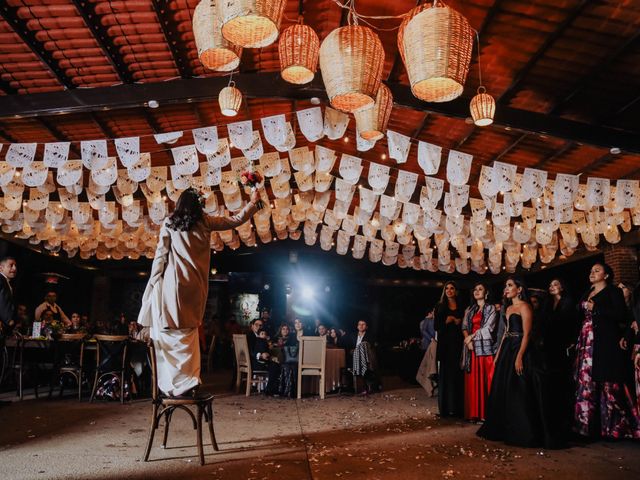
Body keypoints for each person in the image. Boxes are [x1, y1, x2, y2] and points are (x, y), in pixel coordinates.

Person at [137, 186, 259, 397]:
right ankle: (190, 380)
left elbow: (160, 258)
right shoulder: (206, 223)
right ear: (198, 205)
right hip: (196, 288)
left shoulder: (170, 223)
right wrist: (253, 202)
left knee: (170, 334)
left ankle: (174, 385)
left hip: (172, 289)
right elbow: (236, 220)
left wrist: (150, 288)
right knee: (189, 334)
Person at [573, 262, 640, 439]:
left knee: (609, 384)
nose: (592, 273)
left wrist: (597, 309)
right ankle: (586, 427)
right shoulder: (587, 293)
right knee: (586, 383)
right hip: (587, 341)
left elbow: (621, 315)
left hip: (604, 342)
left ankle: (616, 428)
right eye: (591, 270)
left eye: (597, 270)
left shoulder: (613, 292)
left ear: (606, 275)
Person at [478, 277, 541, 447]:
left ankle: (522, 430)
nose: (506, 288)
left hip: (520, 347)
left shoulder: (525, 307)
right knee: (502, 388)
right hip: (507, 348)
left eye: (510, 285)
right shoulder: (508, 308)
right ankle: (502, 428)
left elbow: (527, 334)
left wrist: (520, 356)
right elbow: (505, 332)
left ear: (519, 289)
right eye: (506, 286)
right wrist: (498, 355)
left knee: (518, 388)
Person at [531, 278, 577, 447]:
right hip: (546, 349)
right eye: (550, 284)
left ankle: (564, 428)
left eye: (556, 284)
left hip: (561, 348)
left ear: (563, 287)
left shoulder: (569, 303)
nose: (552, 287)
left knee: (561, 386)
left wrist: (570, 341)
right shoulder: (546, 304)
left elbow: (570, 324)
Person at [461, 282, 497, 422]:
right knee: (473, 381)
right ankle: (473, 414)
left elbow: (489, 328)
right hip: (471, 349)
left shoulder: (491, 308)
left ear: (486, 293)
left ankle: (485, 414)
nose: (477, 291)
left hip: (485, 349)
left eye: (480, 289)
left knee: (485, 380)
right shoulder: (469, 309)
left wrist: (472, 337)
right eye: (475, 289)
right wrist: (468, 341)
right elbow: (464, 327)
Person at [434, 281, 464, 417]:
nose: (449, 290)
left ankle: (457, 408)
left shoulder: (462, 305)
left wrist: (460, 321)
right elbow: (436, 326)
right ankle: (445, 409)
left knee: (457, 375)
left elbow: (466, 322)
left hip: (458, 343)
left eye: (452, 288)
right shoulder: (440, 306)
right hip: (446, 345)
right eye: (447, 288)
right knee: (446, 376)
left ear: (456, 291)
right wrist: (449, 319)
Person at [246, 318, 280, 395]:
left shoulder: (261, 337)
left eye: (260, 325)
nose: (258, 327)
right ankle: (270, 389)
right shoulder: (250, 336)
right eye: (256, 325)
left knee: (275, 363)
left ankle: (271, 388)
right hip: (254, 362)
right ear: (252, 326)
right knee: (274, 365)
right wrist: (260, 355)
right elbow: (251, 351)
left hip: (259, 360)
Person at [352, 319, 379, 394]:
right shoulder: (353, 336)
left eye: (363, 324)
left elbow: (371, 347)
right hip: (355, 357)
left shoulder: (370, 336)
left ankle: (369, 387)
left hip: (366, 357)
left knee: (367, 365)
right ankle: (359, 387)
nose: (361, 326)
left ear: (366, 327)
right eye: (359, 324)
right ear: (357, 326)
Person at [0, 256, 17, 336]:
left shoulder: (5, 281)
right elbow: (2, 299)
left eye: (15, 265)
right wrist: (8, 320)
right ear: (1, 268)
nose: (14, 268)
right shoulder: (1, 280)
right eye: (11, 265)